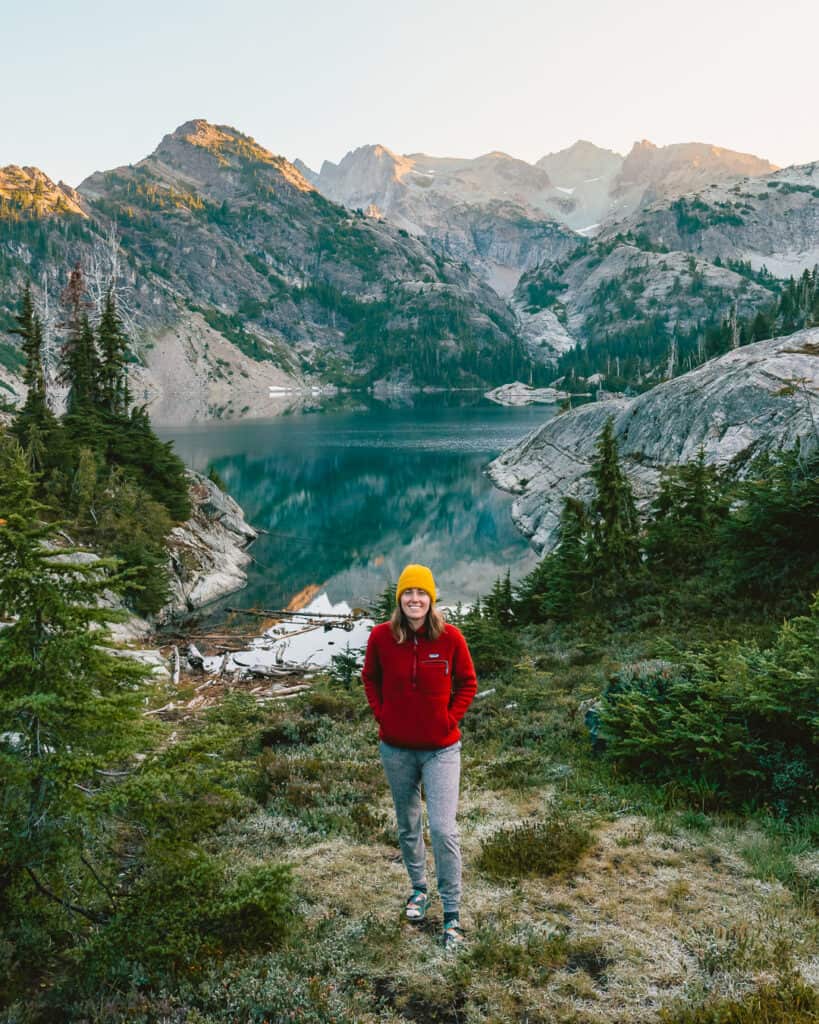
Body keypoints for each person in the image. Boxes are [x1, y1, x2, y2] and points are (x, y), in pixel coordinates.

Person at [362, 564, 478, 950]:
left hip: (441, 749)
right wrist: (383, 714)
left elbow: (468, 682)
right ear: (400, 598)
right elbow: (370, 678)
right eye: (408, 593)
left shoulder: (451, 639)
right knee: (408, 823)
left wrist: (449, 717)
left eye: (422, 593)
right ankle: (417, 890)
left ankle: (452, 914)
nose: (415, 599)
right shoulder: (381, 637)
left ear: (432, 599)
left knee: (444, 829)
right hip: (396, 748)